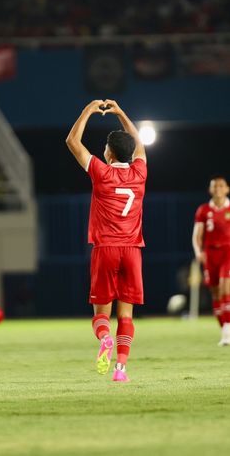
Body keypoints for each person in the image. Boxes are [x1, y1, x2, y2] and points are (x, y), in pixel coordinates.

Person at [66, 99, 147, 382]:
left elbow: (72, 141)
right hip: (133, 250)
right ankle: (121, 369)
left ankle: (104, 338)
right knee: (126, 315)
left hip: (106, 249)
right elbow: (139, 145)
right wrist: (122, 113)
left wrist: (88, 109)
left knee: (102, 313)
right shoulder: (140, 173)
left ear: (109, 153)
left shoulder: (102, 173)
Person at [192, 176, 230, 346]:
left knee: (225, 288)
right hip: (210, 254)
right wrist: (198, 252)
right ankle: (225, 331)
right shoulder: (204, 210)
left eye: (221, 186)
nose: (218, 189)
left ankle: (228, 329)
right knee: (215, 293)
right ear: (210, 190)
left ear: (227, 189)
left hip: (228, 252)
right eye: (214, 186)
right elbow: (197, 236)